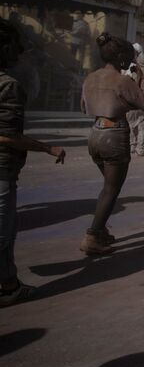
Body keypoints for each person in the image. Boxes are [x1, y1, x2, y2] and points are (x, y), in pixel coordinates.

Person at [0, 21, 66, 307]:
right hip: (2, 170)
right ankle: (8, 286)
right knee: (3, 231)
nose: (20, 50)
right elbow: (7, 136)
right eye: (16, 44)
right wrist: (47, 147)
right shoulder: (9, 85)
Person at [80, 33, 144, 254]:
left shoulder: (90, 77)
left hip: (95, 133)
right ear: (121, 57)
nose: (131, 62)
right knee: (111, 189)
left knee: (107, 188)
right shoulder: (123, 81)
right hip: (114, 134)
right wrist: (140, 76)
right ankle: (92, 236)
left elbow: (84, 107)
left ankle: (100, 231)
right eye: (129, 58)